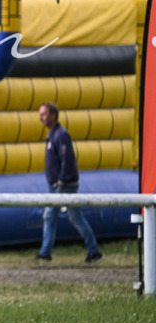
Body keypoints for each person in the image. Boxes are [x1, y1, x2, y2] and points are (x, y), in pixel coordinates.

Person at [37, 103, 103, 263]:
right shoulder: (52, 135)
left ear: (53, 116)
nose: (41, 118)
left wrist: (62, 181)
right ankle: (94, 251)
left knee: (52, 216)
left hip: (64, 185)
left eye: (44, 114)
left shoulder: (61, 135)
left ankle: (45, 253)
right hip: (57, 185)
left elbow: (68, 160)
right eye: (40, 114)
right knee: (72, 218)